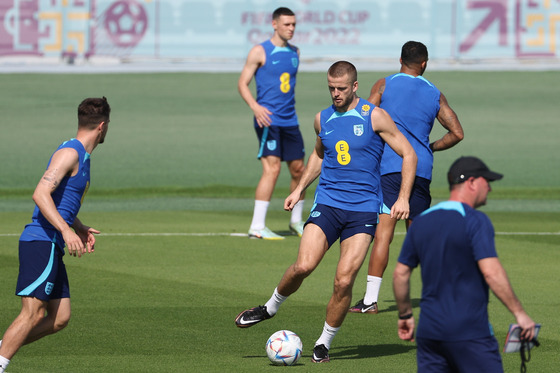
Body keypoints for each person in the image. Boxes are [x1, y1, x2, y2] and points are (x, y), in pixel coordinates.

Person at [235, 61, 417, 363]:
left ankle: (324, 342)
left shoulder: (375, 117)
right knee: (303, 266)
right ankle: (270, 307)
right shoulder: (323, 119)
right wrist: (298, 190)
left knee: (344, 281)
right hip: (328, 205)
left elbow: (408, 153)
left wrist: (403, 198)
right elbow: (319, 156)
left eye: (341, 88)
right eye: (331, 88)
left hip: (363, 212)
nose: (336, 93)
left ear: (355, 87)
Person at [349, 41, 464, 314]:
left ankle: (370, 301)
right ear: (424, 63)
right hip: (420, 170)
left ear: (400, 59)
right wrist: (430, 147)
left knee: (383, 236)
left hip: (390, 167)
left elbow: (365, 117)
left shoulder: (384, 84)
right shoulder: (434, 93)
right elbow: (457, 133)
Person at [393, 156, 536, 372]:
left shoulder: (421, 221)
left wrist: (405, 314)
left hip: (430, 333)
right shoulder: (475, 221)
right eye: (486, 181)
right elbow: (491, 273)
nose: (489, 188)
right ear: (471, 182)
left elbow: (400, 274)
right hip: (470, 332)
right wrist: (520, 314)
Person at [0, 97, 111, 373]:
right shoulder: (70, 153)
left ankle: (2, 347)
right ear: (102, 126)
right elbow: (41, 193)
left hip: (52, 243)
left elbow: (63, 201)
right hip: (42, 241)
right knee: (33, 313)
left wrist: (78, 226)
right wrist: (64, 229)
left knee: (59, 318)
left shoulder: (82, 156)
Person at [238, 7, 306, 240]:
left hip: (290, 121)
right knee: (272, 169)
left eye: (294, 24)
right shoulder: (260, 51)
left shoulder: (296, 51)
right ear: (274, 24)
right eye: (287, 24)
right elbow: (242, 84)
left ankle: (296, 222)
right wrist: (256, 107)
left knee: (300, 170)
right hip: (268, 121)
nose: (291, 28)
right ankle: (257, 226)